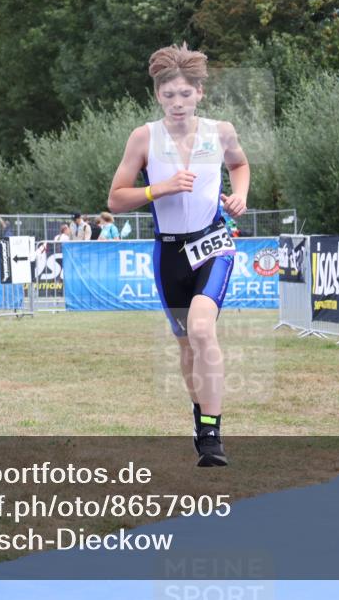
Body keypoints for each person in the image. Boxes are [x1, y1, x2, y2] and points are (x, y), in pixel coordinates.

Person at [107, 43, 250, 467]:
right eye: (169, 95)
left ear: (200, 94)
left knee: (203, 330)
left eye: (185, 94)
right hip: (169, 254)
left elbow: (240, 166)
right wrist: (159, 188)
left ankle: (212, 434)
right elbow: (115, 199)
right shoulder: (143, 138)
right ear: (157, 96)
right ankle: (200, 411)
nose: (177, 103)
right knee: (188, 349)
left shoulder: (219, 132)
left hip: (213, 243)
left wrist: (238, 196)